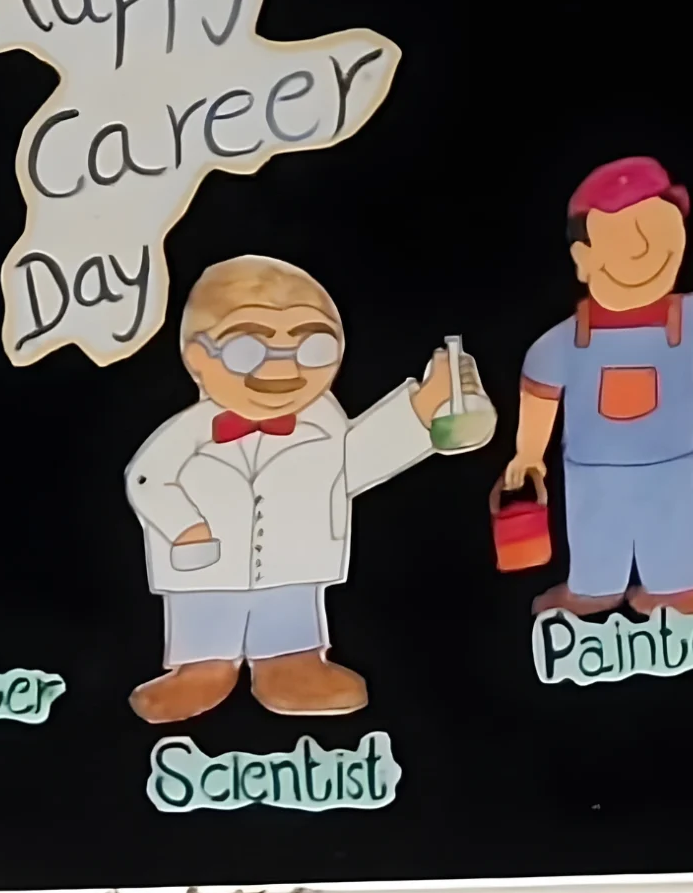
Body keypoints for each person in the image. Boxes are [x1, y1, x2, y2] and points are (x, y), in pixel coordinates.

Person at [124, 255, 466, 723]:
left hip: (294, 558)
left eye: (313, 347)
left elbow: (360, 462)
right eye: (248, 349)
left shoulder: (324, 422)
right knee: (207, 618)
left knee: (287, 616)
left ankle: (290, 666)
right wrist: (185, 527)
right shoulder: (188, 432)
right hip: (208, 564)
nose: (283, 368)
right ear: (198, 357)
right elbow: (146, 480)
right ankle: (203, 670)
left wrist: (423, 407)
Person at [503, 155, 693, 617]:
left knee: (674, 543)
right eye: (625, 235)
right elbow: (540, 388)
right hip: (593, 476)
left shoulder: (686, 318)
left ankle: (677, 589)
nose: (644, 248)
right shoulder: (568, 340)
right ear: (583, 259)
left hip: (670, 470)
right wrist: (529, 453)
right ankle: (593, 591)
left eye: (658, 231)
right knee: (597, 548)